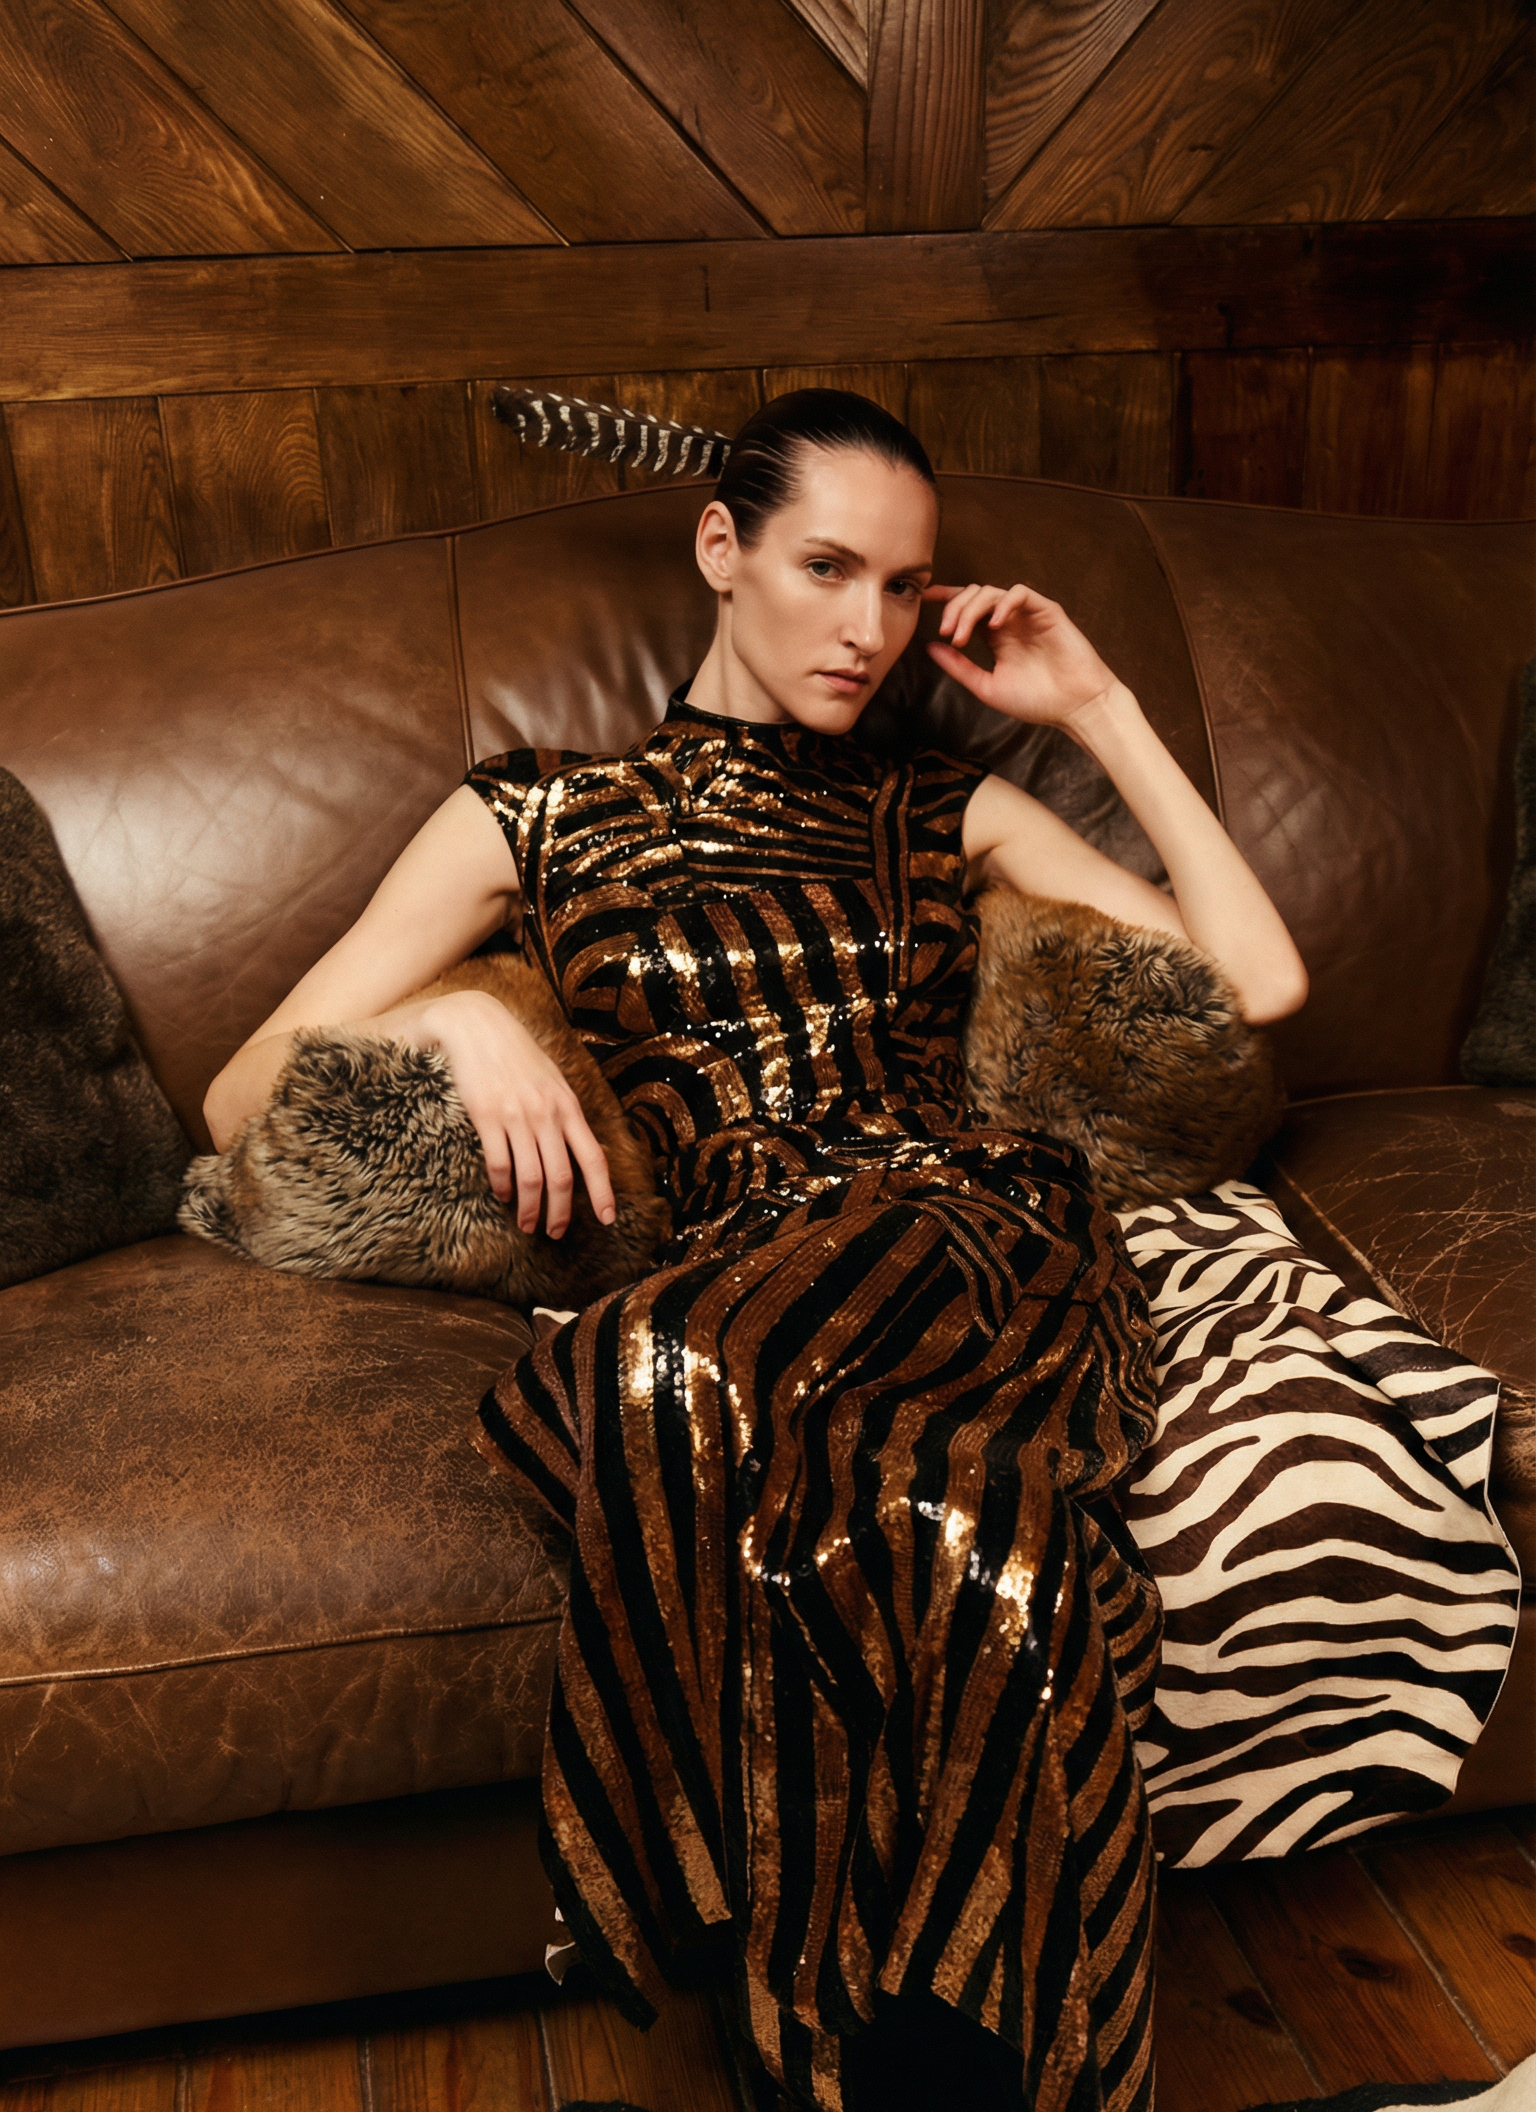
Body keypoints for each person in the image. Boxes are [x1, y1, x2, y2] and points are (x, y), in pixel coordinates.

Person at [205, 392, 1307, 2111]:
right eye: (825, 567)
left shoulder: (946, 805)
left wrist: (1099, 708)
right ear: (721, 552)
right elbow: (236, 1090)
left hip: (967, 1231)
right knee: (970, 1545)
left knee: (645, 1370)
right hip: (752, 1270)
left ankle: (748, 1972)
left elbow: (1257, 991)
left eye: (905, 586)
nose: (869, 629)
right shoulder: (538, 815)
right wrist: (441, 1027)